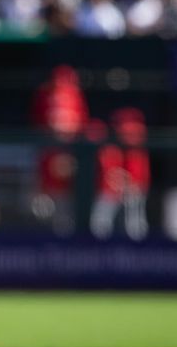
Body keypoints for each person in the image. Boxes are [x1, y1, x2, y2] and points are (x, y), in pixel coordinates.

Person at [29, 64, 89, 237]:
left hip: (68, 152)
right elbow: (37, 122)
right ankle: (44, 235)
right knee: (43, 201)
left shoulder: (76, 95)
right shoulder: (43, 94)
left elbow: (82, 124)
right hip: (48, 152)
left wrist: (69, 154)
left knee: (66, 202)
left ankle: (65, 238)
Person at [89, 107, 150, 240]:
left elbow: (138, 182)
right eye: (123, 127)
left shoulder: (138, 151)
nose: (130, 134)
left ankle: (140, 253)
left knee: (135, 223)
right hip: (112, 191)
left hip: (131, 192)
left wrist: (126, 185)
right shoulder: (109, 145)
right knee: (101, 220)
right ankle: (97, 252)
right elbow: (109, 178)